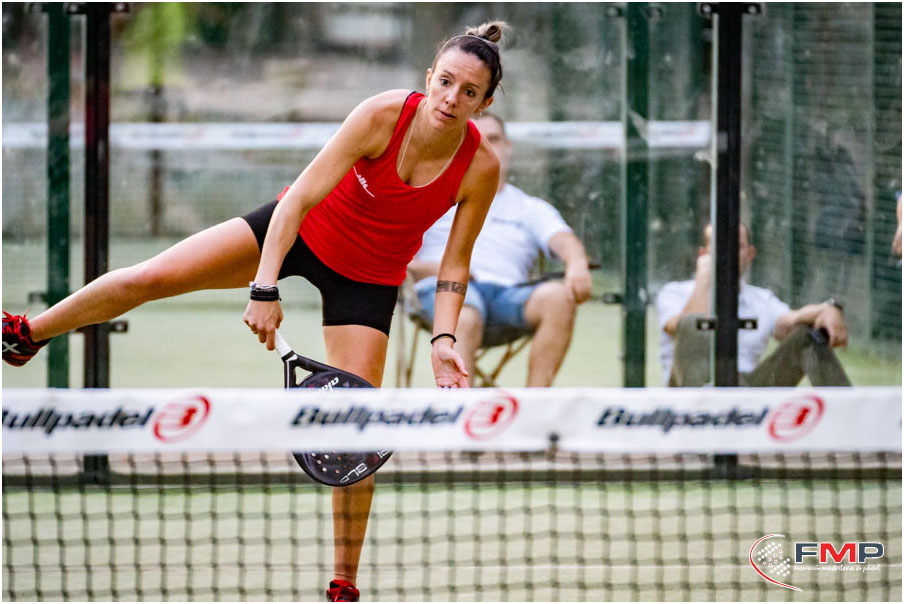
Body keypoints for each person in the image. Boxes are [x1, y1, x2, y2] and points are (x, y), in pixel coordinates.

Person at [3, 22, 507, 602]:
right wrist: (264, 288)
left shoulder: (480, 167)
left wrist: (444, 339)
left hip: (368, 279)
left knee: (358, 430)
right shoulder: (380, 116)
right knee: (152, 277)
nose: (451, 98)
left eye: (469, 92)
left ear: (485, 102)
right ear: (429, 76)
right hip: (300, 231)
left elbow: (455, 263)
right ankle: (26, 334)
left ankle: (344, 583)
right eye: (446, 82)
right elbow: (299, 198)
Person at [407, 112, 592, 387]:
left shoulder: (529, 207)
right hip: (443, 292)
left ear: (508, 146)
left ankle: (535, 403)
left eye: (493, 139)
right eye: (475, 140)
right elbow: (401, 260)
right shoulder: (432, 197)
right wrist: (440, 271)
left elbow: (564, 240)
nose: (485, 147)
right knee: (464, 313)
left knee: (558, 297)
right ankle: (461, 406)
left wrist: (577, 263)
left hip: (508, 296)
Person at [655, 223, 851, 388]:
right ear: (704, 253)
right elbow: (679, 328)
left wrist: (829, 308)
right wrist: (705, 278)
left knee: (806, 337)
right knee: (691, 323)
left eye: (737, 246)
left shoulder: (762, 299)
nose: (728, 253)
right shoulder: (675, 293)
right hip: (688, 396)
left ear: (749, 254)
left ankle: (851, 415)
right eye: (719, 245)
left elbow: (792, 320)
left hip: (749, 392)